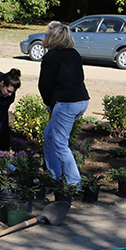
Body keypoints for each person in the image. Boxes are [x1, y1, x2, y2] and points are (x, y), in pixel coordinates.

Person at [38, 21, 90, 186]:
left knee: (60, 143)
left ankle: (75, 183)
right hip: (82, 100)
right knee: (49, 136)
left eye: (47, 34)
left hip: (66, 103)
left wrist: (49, 104)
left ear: (53, 38)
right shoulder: (74, 54)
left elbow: (44, 85)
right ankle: (55, 174)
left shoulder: (50, 57)